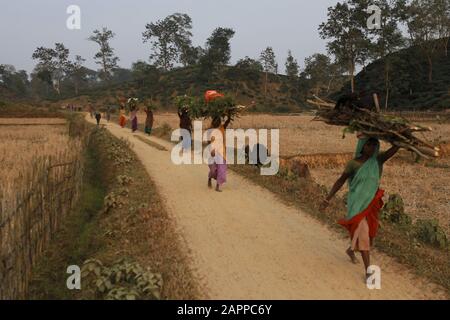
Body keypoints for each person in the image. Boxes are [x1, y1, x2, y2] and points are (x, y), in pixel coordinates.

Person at [320, 136, 399, 281]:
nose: (372, 147)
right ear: (362, 145)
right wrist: (327, 198)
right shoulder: (353, 164)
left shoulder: (378, 160)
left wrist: (400, 141)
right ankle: (369, 272)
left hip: (371, 204)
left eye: (375, 144)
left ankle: (351, 250)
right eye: (369, 144)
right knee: (363, 234)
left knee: (370, 236)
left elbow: (393, 150)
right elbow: (340, 181)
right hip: (356, 204)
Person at [207, 113, 232, 192]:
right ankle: (209, 178)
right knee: (213, 170)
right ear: (214, 122)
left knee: (221, 169)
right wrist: (212, 150)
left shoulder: (222, 128)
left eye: (219, 121)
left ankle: (217, 186)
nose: (218, 122)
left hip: (221, 152)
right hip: (213, 153)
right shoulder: (211, 130)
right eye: (216, 121)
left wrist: (229, 115)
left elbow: (227, 122)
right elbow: (209, 142)